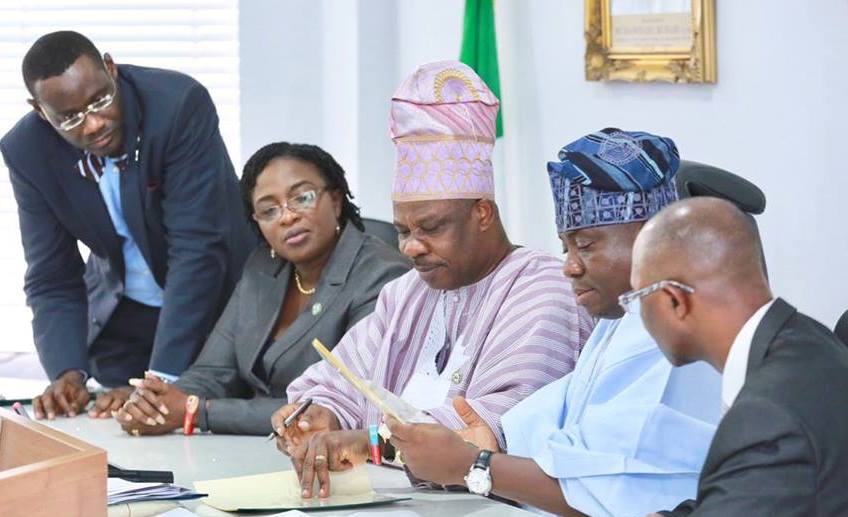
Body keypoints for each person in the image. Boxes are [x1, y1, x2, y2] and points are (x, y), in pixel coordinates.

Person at [273, 61, 593, 498]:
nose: (410, 247)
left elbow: (499, 423)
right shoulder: (405, 292)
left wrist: (368, 443)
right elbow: (339, 382)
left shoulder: (544, 290)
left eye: (431, 228)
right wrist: (318, 415)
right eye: (404, 230)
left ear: (483, 213)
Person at [386, 129, 721, 517]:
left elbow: (602, 493)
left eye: (587, 245)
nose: (570, 267)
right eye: (566, 247)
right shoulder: (621, 317)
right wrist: (494, 434)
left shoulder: (673, 336)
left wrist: (471, 466)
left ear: (653, 238)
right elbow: (559, 411)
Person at [0, 31, 255, 420]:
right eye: (69, 117)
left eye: (100, 99)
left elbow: (197, 251)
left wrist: (157, 384)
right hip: (125, 322)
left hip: (217, 310)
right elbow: (52, 275)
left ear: (111, 67)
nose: (93, 124)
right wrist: (68, 373)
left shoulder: (177, 105)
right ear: (40, 111)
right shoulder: (26, 150)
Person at [111, 143, 410, 435]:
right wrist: (155, 404)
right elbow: (213, 371)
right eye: (268, 210)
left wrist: (197, 411)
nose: (287, 216)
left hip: (337, 456)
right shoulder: (263, 267)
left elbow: (342, 402)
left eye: (302, 198)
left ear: (336, 199)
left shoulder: (382, 276)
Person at [628, 197, 848, 517]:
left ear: (674, 300)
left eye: (636, 297)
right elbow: (756, 489)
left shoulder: (769, 415)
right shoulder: (808, 338)